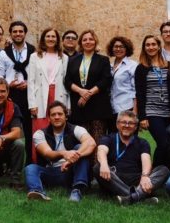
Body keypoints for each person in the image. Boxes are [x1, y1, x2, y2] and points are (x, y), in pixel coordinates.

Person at [25, 101, 96, 202]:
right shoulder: (39, 134)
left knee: (79, 147)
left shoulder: (76, 129)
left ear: (66, 116)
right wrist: (63, 153)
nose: (57, 117)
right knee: (30, 168)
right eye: (53, 115)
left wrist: (70, 160)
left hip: (72, 171)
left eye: (60, 114)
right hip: (51, 172)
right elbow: (47, 154)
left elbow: (91, 143)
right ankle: (37, 192)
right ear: (49, 118)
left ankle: (77, 190)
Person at [94, 110, 170, 205]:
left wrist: (145, 175)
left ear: (135, 127)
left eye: (131, 123)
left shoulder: (142, 142)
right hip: (115, 177)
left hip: (137, 179)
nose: (127, 125)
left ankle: (131, 197)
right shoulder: (109, 139)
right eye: (123, 122)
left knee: (164, 170)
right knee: (98, 167)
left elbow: (146, 160)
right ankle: (138, 196)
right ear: (117, 124)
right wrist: (104, 165)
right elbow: (101, 150)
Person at [64, 29, 113, 161]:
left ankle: (98, 168)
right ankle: (84, 170)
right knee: (83, 142)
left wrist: (88, 94)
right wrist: (81, 91)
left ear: (95, 41)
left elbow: (106, 80)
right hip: (80, 107)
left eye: (91, 39)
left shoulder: (103, 60)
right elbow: (67, 81)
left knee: (98, 140)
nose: (88, 42)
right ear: (81, 42)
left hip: (98, 107)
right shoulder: (72, 60)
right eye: (85, 40)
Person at [0, 20, 36, 166]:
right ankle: (9, 164)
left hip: (29, 95)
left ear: (25, 33)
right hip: (11, 95)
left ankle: (30, 162)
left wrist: (29, 84)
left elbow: (38, 73)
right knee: (8, 128)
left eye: (20, 31)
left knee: (30, 130)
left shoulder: (33, 51)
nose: (18, 34)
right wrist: (8, 85)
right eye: (15, 31)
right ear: (11, 34)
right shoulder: (4, 53)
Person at [134, 35, 170, 168]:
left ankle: (166, 172)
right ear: (144, 48)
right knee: (163, 143)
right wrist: (142, 116)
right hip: (152, 111)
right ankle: (156, 172)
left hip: (169, 111)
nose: (151, 47)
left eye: (153, 44)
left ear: (159, 46)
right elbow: (139, 93)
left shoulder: (169, 65)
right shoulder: (141, 68)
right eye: (147, 45)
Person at [27, 27, 69, 138]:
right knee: (40, 128)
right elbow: (31, 81)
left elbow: (67, 82)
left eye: (53, 36)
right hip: (40, 96)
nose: (51, 39)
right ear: (43, 39)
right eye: (48, 36)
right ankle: (40, 149)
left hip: (58, 93)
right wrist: (32, 104)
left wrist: (68, 104)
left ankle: (57, 149)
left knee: (58, 125)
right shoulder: (35, 56)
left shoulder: (64, 57)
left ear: (57, 39)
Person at [107, 36, 137, 134]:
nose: (118, 49)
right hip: (113, 109)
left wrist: (134, 111)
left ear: (126, 48)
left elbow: (135, 90)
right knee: (113, 138)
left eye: (121, 46)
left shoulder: (132, 65)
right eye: (116, 46)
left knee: (128, 138)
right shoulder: (110, 66)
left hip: (127, 107)